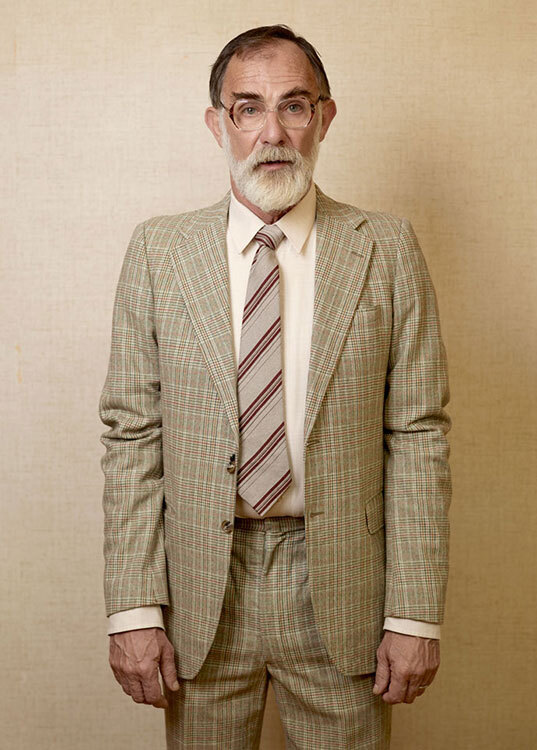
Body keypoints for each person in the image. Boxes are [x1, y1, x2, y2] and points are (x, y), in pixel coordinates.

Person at [99, 24, 451, 749]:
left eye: (294, 106)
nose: (272, 132)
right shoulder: (159, 251)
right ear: (217, 123)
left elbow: (418, 435)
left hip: (343, 588)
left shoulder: (386, 249)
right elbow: (132, 435)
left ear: (324, 117)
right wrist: (134, 608)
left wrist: (413, 614)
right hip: (200, 589)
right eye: (248, 108)